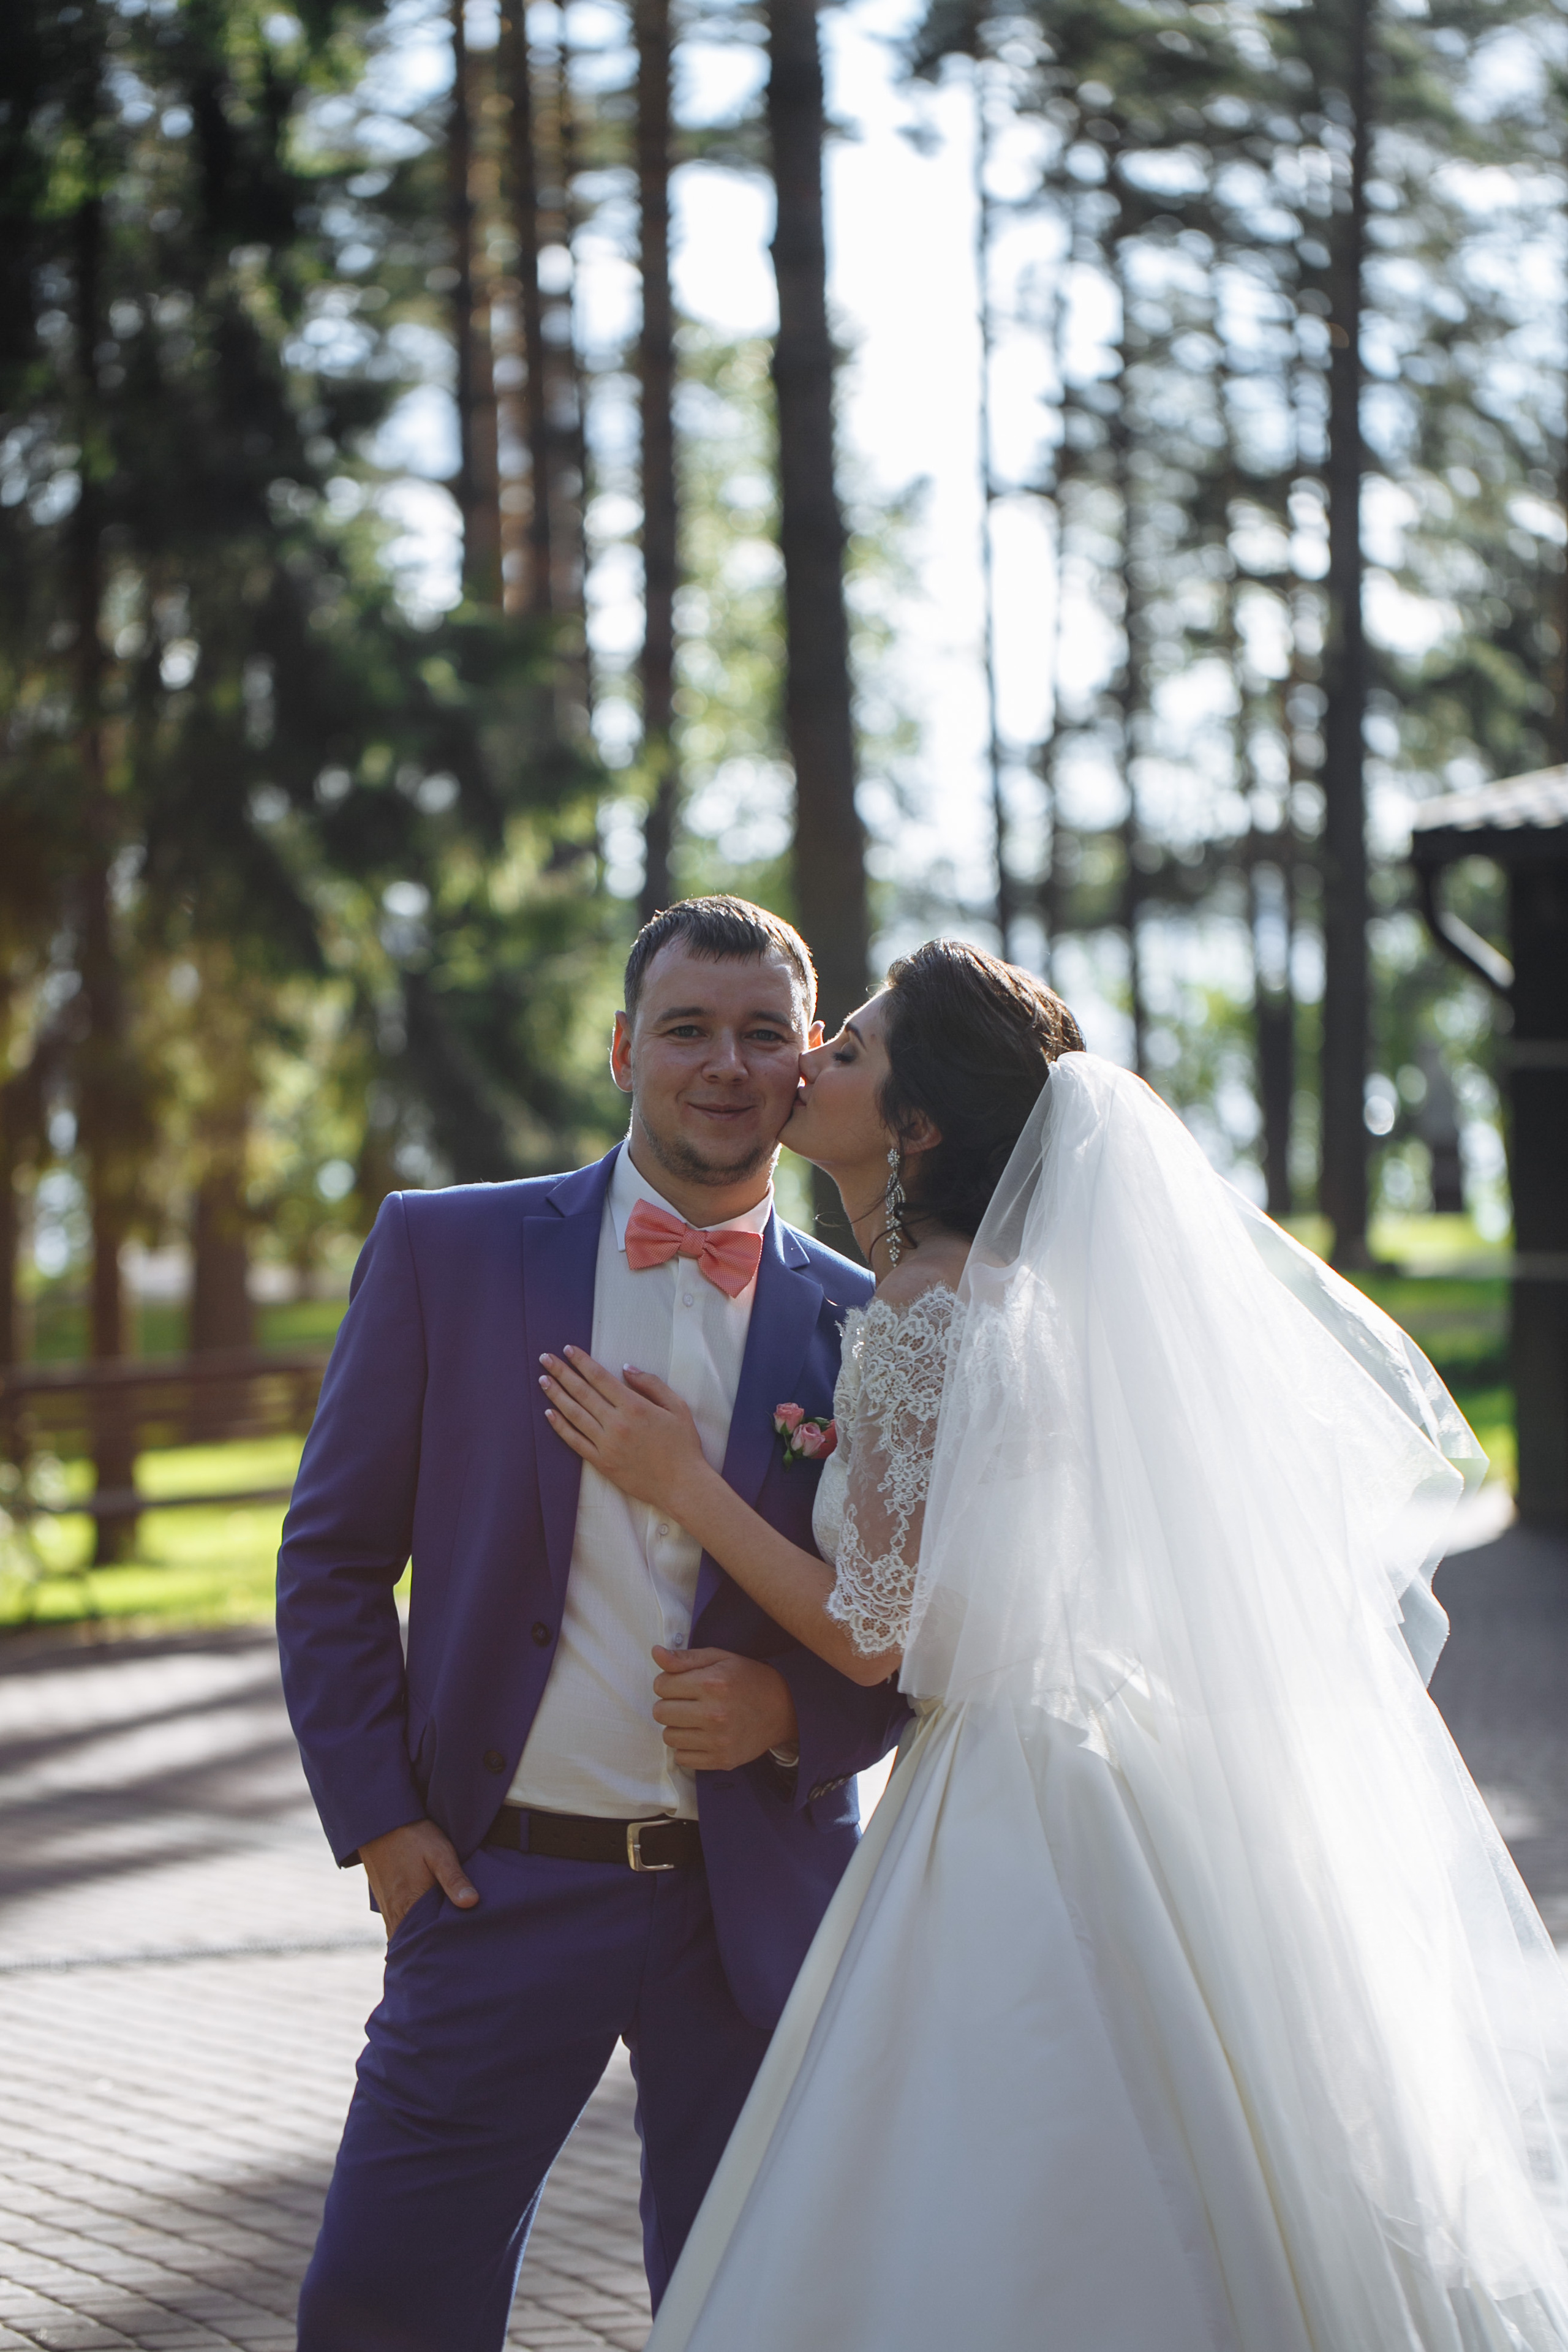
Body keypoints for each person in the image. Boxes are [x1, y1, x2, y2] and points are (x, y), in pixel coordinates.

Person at [541, 937, 1568, 2352]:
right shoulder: (1010, 1296)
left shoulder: (919, 1301)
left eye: (844, 1050)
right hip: (1096, 1759)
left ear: (915, 1128)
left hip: (1005, 1793)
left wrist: (685, 1485)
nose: (804, 1063)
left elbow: (875, 1635)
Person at [276, 895, 907, 2352]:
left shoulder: (877, 1326)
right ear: (625, 1047)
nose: (723, 1064)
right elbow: (330, 1560)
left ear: (807, 1063)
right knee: (377, 2301)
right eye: (686, 1029)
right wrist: (380, 1818)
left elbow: (929, 1632)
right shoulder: (448, 1251)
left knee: (752, 2308)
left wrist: (797, 1717)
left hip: (750, 1903)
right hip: (496, 1884)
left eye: (762, 1035)